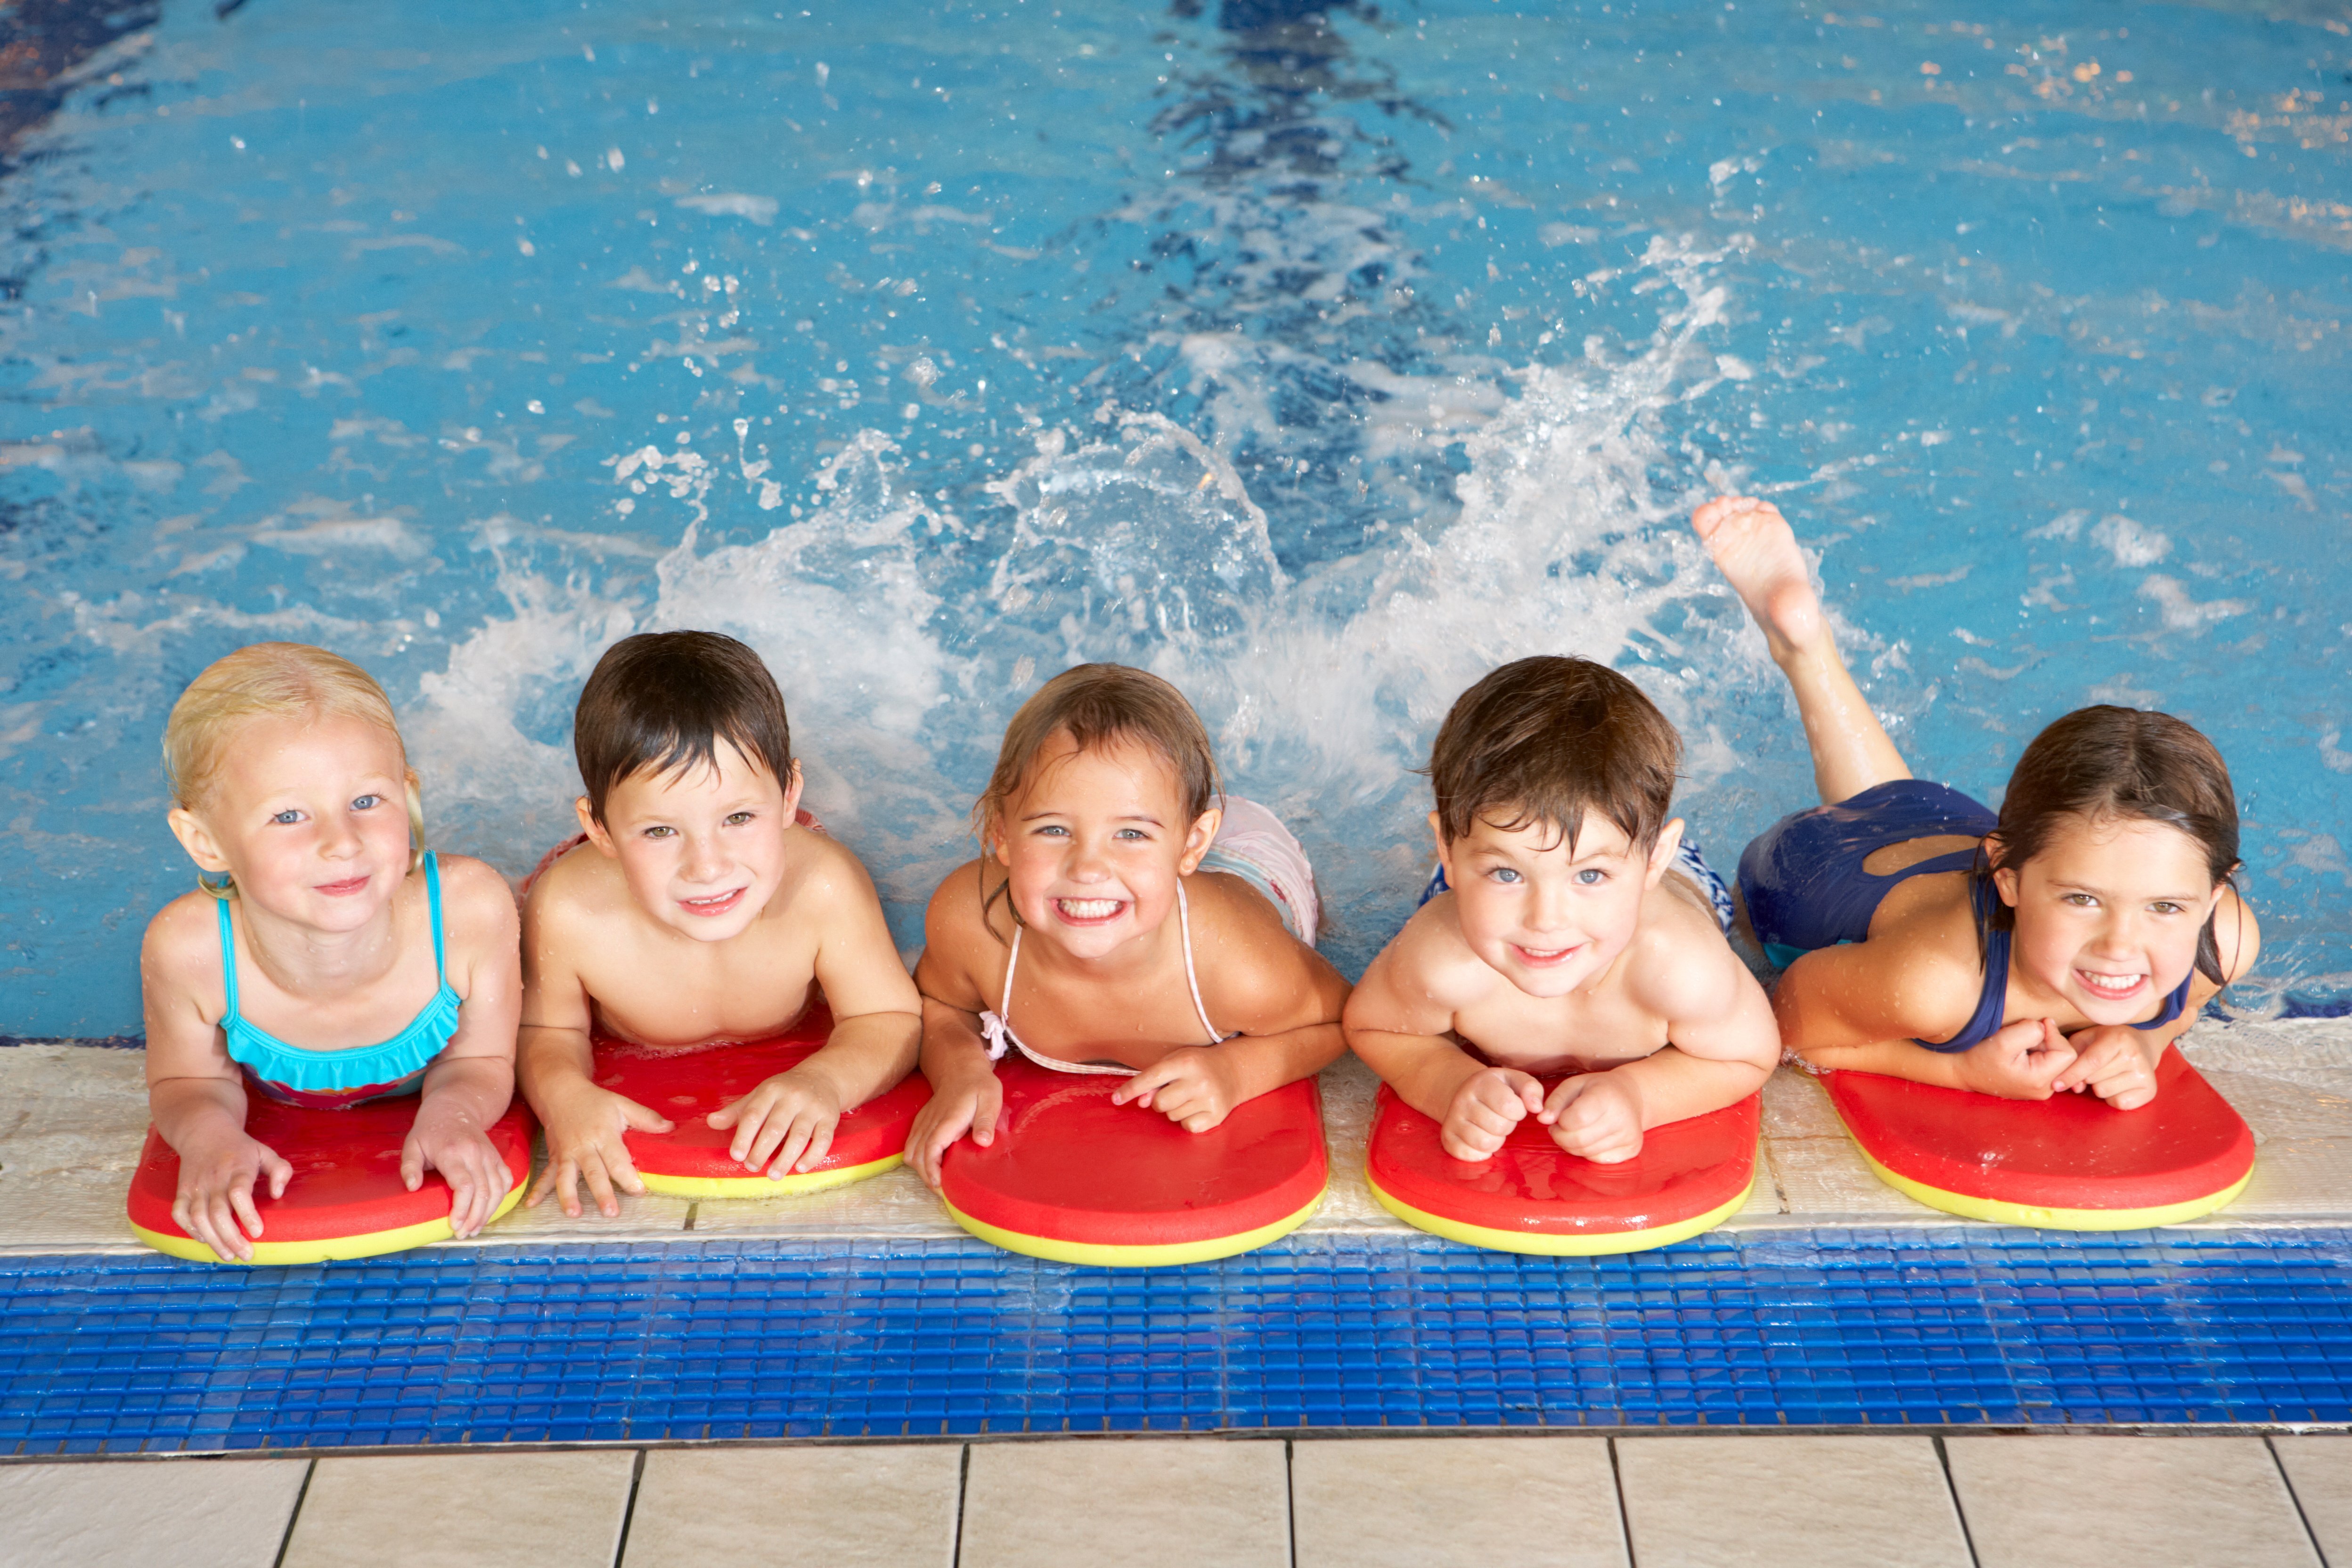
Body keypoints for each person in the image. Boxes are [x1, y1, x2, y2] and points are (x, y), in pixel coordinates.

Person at [1696, 494, 2259, 1108]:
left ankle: (1806, 645)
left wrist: (2139, 1041)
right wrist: (1961, 1073)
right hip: (1808, 877)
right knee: (1760, 926)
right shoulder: (1936, 985)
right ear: (2007, 877)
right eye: (2083, 899)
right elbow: (1787, 1022)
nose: (2120, 945)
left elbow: (2176, 1012)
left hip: (1942, 822)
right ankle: (1801, 647)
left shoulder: (2224, 942)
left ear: (2214, 896)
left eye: (2166, 908)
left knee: (1890, 799)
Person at [516, 631, 922, 1217]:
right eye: (659, 831)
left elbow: (888, 1015)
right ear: (599, 827)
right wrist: (566, 1098)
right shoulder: (568, 908)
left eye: (738, 817)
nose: (706, 866)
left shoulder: (823, 887)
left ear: (788, 798)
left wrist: (826, 1081)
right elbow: (547, 1032)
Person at [140, 643, 521, 1262]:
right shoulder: (192, 952)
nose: (341, 843)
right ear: (205, 841)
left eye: (367, 802)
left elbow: (481, 1058)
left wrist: (453, 1117)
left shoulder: (468, 913)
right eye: (289, 815)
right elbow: (188, 1079)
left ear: (409, 797)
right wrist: (210, 1140)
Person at [906, 663, 1348, 1187]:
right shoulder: (973, 922)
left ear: (1192, 844)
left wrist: (1238, 1071)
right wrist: (960, 1068)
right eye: (1053, 829)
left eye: (1129, 834)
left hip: (1256, 870)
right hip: (1161, 848)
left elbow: (1346, 1018)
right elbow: (941, 1003)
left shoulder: (1237, 966)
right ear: (1001, 834)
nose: (1087, 868)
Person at [1344, 656, 1779, 1164]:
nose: (1546, 919)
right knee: (1509, 847)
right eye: (1508, 875)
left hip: (1669, 880)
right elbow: (1373, 1026)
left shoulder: (1679, 968)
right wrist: (1448, 1082)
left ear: (1654, 859)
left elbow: (1749, 1054)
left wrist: (1641, 1097)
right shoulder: (1443, 955)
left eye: (1588, 877)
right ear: (1445, 849)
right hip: (1523, 859)